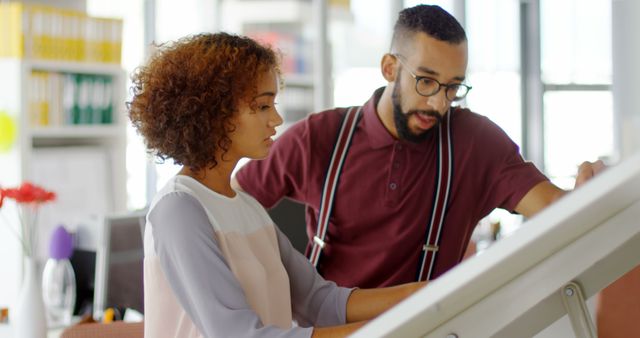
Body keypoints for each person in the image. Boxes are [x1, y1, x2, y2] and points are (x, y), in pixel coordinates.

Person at [232, 4, 605, 289]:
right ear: (390, 68)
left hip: (429, 325)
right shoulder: (319, 136)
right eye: (426, 82)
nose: (439, 103)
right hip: (331, 327)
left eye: (453, 87)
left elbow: (552, 206)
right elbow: (227, 207)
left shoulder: (477, 142)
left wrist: (589, 193)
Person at [128, 32, 426, 338]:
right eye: (261, 106)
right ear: (213, 112)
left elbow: (319, 300)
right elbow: (238, 334)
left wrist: (427, 294)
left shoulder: (247, 207)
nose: (276, 119)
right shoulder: (179, 210)